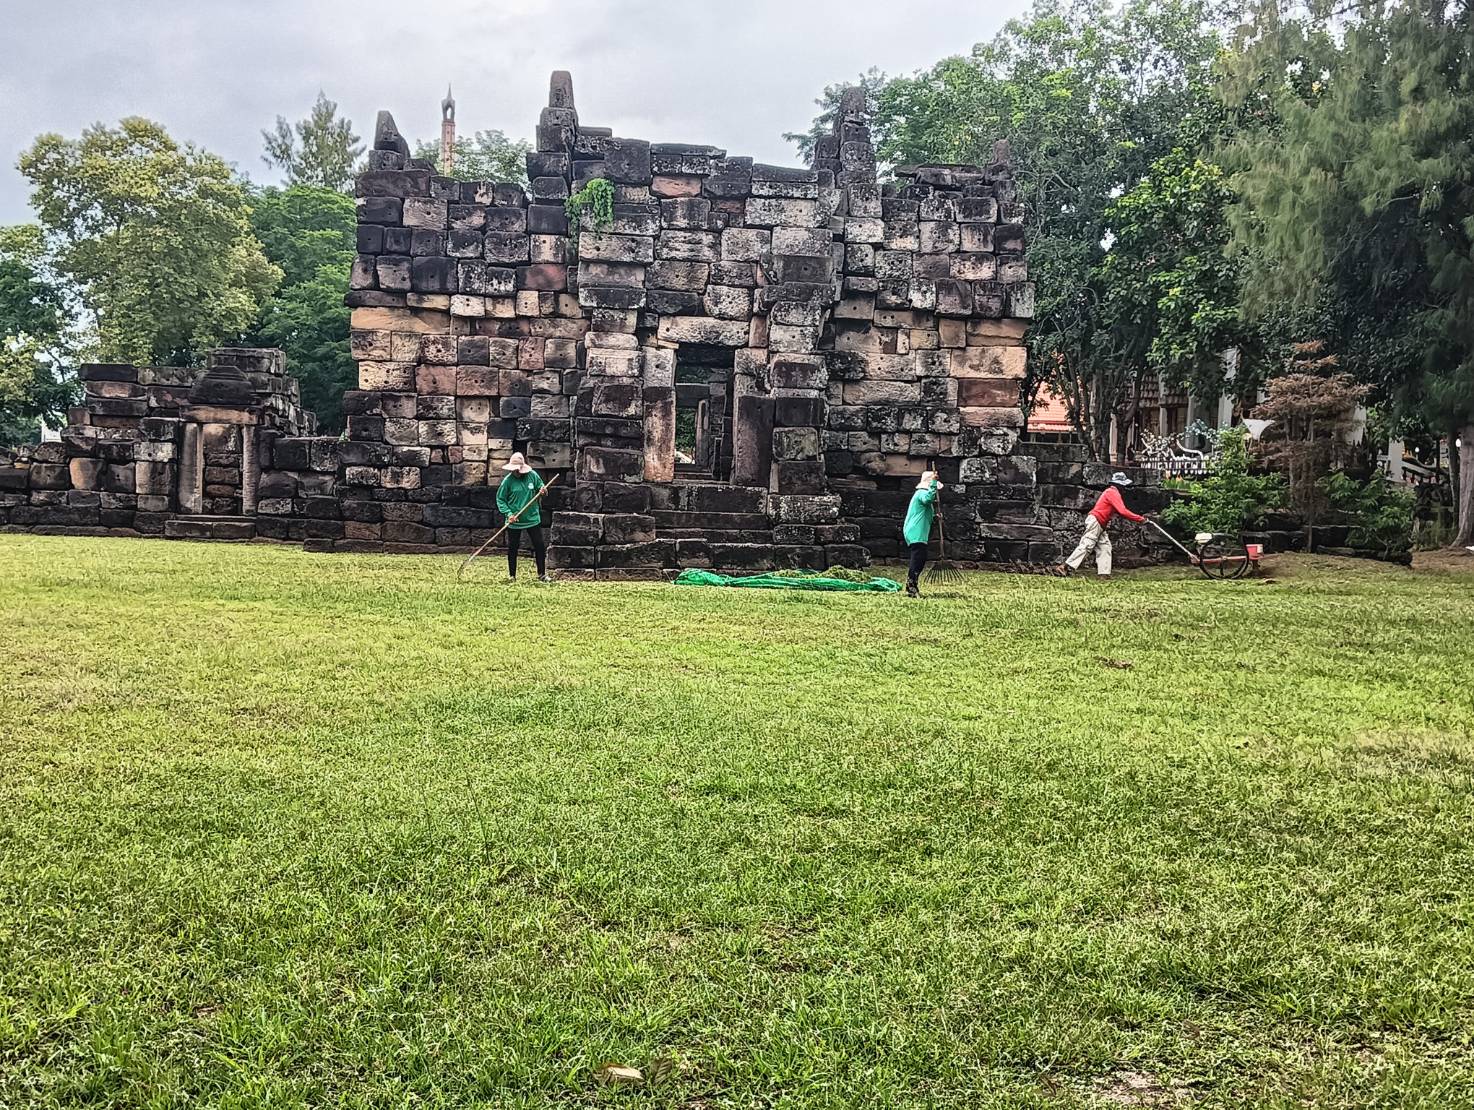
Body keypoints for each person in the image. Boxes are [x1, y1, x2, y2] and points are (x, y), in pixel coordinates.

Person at [1059, 471, 1145, 579]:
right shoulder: (1112, 492)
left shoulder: (1111, 492)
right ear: (1119, 485)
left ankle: (1104, 574)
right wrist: (1140, 519)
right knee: (1087, 545)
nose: (1125, 489)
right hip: (1096, 521)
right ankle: (1065, 566)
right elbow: (1123, 511)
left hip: (1100, 523)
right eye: (1124, 486)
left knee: (1105, 547)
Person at [495, 452, 549, 582]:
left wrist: (543, 491)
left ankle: (542, 574)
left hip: (532, 518)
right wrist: (509, 514)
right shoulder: (507, 481)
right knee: (513, 547)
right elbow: (500, 499)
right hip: (515, 520)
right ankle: (512, 576)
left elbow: (542, 489)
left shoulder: (533, 476)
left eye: (518, 470)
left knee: (539, 545)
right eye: (514, 470)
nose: (516, 472)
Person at [902, 470, 941, 598]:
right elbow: (928, 498)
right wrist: (934, 482)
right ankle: (911, 586)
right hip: (915, 532)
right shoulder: (921, 493)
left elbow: (924, 515)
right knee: (918, 559)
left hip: (919, 532)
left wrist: (935, 517)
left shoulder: (922, 495)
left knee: (920, 559)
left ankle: (912, 585)